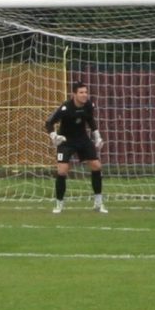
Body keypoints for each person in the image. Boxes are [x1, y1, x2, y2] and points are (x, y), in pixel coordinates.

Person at [45, 81, 106, 214]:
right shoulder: (65, 108)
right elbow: (49, 123)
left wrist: (97, 136)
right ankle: (59, 204)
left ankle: (98, 203)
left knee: (96, 166)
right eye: (81, 92)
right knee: (62, 170)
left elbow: (90, 120)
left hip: (82, 139)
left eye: (86, 92)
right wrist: (54, 136)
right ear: (74, 94)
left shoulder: (88, 105)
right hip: (66, 141)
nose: (84, 95)